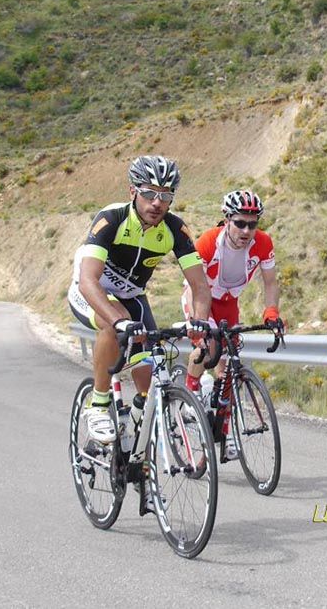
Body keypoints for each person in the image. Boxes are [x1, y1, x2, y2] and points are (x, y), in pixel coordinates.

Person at [68, 155, 212, 462]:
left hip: (133, 296)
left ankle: (135, 437)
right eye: (149, 192)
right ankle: (98, 404)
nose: (157, 202)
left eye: (166, 195)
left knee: (151, 374)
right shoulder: (112, 218)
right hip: (91, 291)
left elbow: (200, 287)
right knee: (114, 323)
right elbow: (88, 281)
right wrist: (118, 321)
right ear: (133, 191)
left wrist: (200, 323)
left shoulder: (175, 229)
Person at [180, 189, 284, 461]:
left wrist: (271, 311)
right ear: (227, 219)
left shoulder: (263, 243)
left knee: (229, 367)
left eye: (252, 224)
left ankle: (223, 435)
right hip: (202, 297)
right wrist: (198, 322)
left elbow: (270, 282)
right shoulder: (208, 242)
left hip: (229, 303)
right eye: (239, 223)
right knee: (209, 350)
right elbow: (194, 286)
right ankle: (192, 395)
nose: (246, 230)